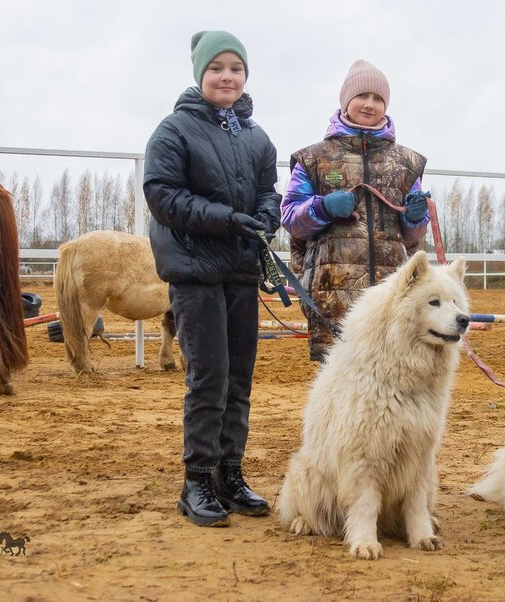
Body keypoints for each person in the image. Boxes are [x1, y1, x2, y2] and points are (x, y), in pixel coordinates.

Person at [143, 30, 280, 527]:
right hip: (195, 271)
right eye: (217, 68)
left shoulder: (257, 138)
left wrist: (266, 218)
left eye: (235, 69)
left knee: (238, 378)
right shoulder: (174, 131)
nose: (227, 77)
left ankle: (229, 473)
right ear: (201, 73)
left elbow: (269, 191)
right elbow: (162, 195)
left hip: (240, 270)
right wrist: (226, 219)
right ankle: (197, 479)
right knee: (209, 378)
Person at [281, 59, 430, 361]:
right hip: (333, 291)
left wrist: (415, 217)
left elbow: (413, 237)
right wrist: (323, 208)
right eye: (362, 95)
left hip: (392, 295)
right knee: (339, 377)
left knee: (393, 373)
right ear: (346, 100)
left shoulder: (407, 162)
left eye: (378, 98)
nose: (370, 104)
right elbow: (291, 219)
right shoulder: (314, 159)